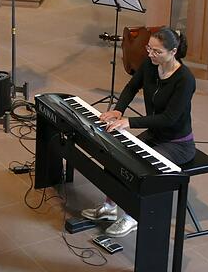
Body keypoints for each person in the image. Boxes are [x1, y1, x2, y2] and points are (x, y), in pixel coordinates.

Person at [82, 27, 196, 237]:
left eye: (157, 51)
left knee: (140, 167)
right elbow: (131, 87)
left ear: (173, 51)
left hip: (178, 143)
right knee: (117, 153)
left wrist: (129, 122)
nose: (151, 54)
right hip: (155, 135)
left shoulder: (185, 80)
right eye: (149, 49)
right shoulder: (150, 65)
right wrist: (118, 110)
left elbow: (169, 119)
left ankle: (132, 217)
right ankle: (109, 207)